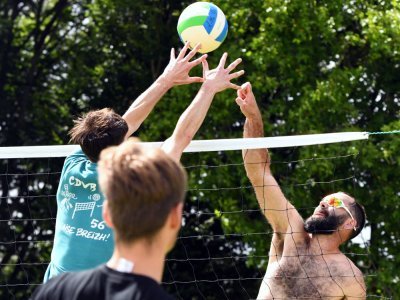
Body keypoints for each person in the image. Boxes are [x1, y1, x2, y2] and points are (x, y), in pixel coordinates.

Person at [32, 52, 244, 299]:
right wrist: (207, 89)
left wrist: (166, 79)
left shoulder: (73, 164)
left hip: (59, 287)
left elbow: (124, 125)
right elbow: (179, 139)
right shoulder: (129, 182)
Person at [235, 82, 367, 300]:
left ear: (349, 223)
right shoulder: (291, 230)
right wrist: (253, 117)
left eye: (334, 203)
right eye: (324, 200)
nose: (323, 203)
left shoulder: (351, 278)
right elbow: (259, 172)